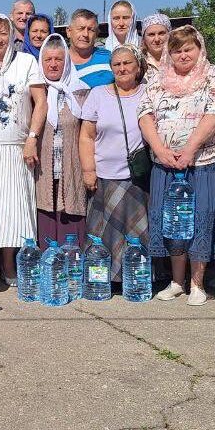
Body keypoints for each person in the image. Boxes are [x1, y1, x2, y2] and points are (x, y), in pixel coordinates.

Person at [138, 26, 215, 305]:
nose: (182, 55)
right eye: (176, 50)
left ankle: (197, 284)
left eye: (187, 49)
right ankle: (177, 281)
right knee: (172, 222)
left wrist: (190, 149)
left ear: (199, 50)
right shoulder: (156, 80)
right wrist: (160, 149)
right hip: (165, 165)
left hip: (203, 163)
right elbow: (144, 114)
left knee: (200, 219)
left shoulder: (213, 75)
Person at [0, 12, 48, 285]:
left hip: (18, 149)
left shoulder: (27, 62)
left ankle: (11, 266)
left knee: (16, 209)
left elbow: (41, 102)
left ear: (12, 34)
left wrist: (32, 138)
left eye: (3, 33)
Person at [80, 45, 147, 274]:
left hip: (137, 177)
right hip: (104, 176)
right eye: (117, 64)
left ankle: (134, 277)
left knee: (136, 231)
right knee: (102, 232)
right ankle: (101, 278)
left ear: (138, 67)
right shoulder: (98, 94)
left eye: (127, 63)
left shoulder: (150, 92)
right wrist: (88, 170)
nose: (122, 68)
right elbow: (87, 136)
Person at [35, 34, 88, 244]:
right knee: (46, 228)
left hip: (72, 170)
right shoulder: (36, 93)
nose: (53, 64)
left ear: (67, 61)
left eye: (59, 59)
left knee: (71, 235)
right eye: (48, 60)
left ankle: (73, 273)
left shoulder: (81, 91)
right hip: (44, 172)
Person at [66, 9, 114, 88]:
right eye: (81, 28)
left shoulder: (109, 59)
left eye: (91, 30)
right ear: (69, 31)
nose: (85, 34)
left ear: (97, 34)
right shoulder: (55, 60)